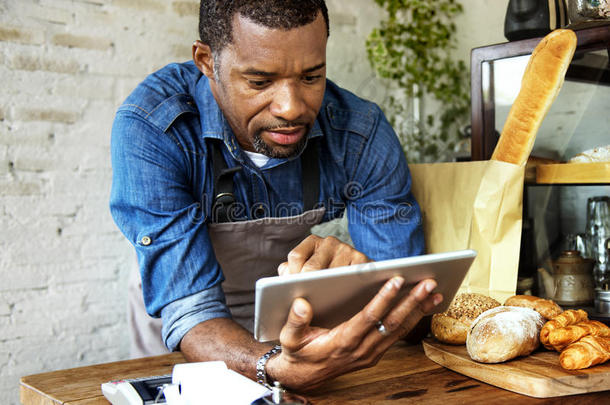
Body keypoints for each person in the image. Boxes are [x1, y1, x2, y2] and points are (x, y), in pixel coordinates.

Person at [110, 0, 442, 391]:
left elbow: (408, 303)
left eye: (311, 77)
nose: (291, 108)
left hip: (285, 318)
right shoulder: (154, 127)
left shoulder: (359, 132)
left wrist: (364, 282)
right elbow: (192, 309)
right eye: (259, 81)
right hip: (186, 322)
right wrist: (274, 368)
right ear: (205, 60)